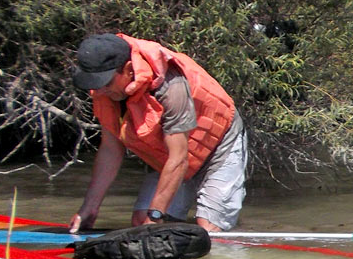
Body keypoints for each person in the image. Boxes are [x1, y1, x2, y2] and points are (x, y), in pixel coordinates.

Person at [68, 33, 248, 234]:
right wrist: (90, 208)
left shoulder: (171, 88)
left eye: (106, 83)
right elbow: (111, 149)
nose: (99, 92)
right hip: (171, 152)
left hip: (218, 147)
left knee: (208, 231)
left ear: (128, 70)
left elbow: (179, 159)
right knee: (139, 222)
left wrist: (155, 217)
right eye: (95, 84)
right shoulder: (104, 90)